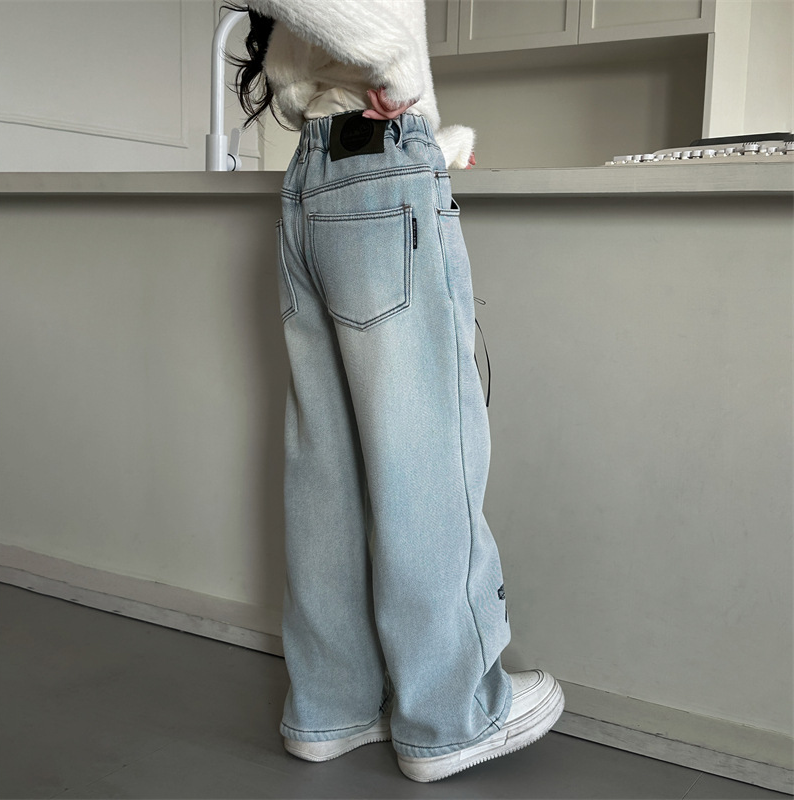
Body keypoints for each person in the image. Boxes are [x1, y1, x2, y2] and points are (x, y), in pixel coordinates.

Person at [230, 0, 564, 782]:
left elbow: (337, 100)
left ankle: (332, 707)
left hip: (316, 177)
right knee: (425, 459)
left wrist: (433, 142)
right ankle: (453, 717)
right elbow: (374, 65)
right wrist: (403, 74)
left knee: (330, 470)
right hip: (372, 175)